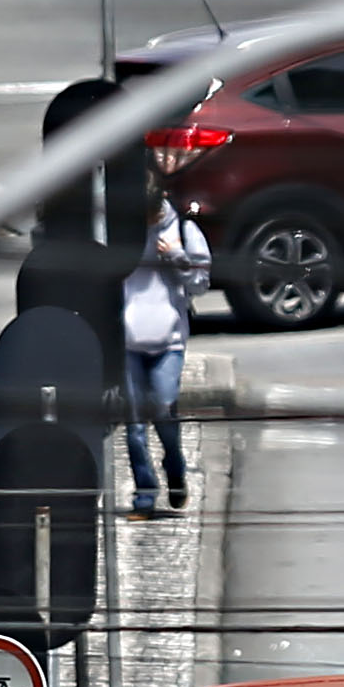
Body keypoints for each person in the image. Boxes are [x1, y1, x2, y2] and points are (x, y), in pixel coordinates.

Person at [117, 191, 206, 515]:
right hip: (127, 343)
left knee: (165, 410)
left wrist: (177, 257)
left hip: (169, 343)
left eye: (152, 215)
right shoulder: (121, 234)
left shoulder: (183, 230)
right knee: (135, 427)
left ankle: (175, 468)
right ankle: (144, 496)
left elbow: (200, 283)